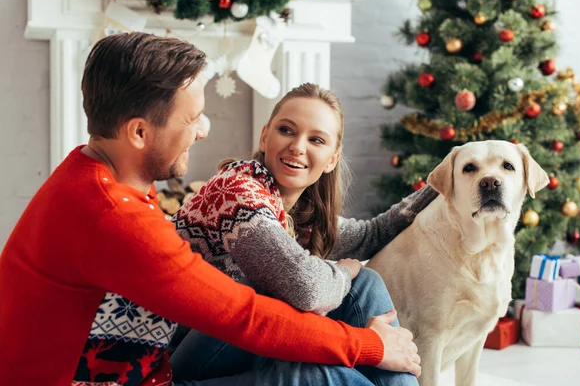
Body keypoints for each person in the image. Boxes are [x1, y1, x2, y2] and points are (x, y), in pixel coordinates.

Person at [0, 32, 424, 386]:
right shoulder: (115, 217)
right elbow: (246, 316)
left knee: (360, 287)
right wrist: (370, 345)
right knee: (312, 375)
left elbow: (250, 307)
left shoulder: (97, 176)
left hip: (149, 362)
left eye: (317, 140)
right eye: (194, 118)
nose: (204, 131)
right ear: (140, 132)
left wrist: (439, 187)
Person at [170, 83, 439, 385]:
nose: (298, 146)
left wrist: (443, 181)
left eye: (316, 139)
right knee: (310, 357)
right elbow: (307, 289)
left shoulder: (297, 214)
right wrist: (343, 270)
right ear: (265, 136)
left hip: (230, 348)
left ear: (332, 159)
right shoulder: (237, 192)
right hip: (175, 363)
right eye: (286, 130)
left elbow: (373, 234)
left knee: (364, 283)